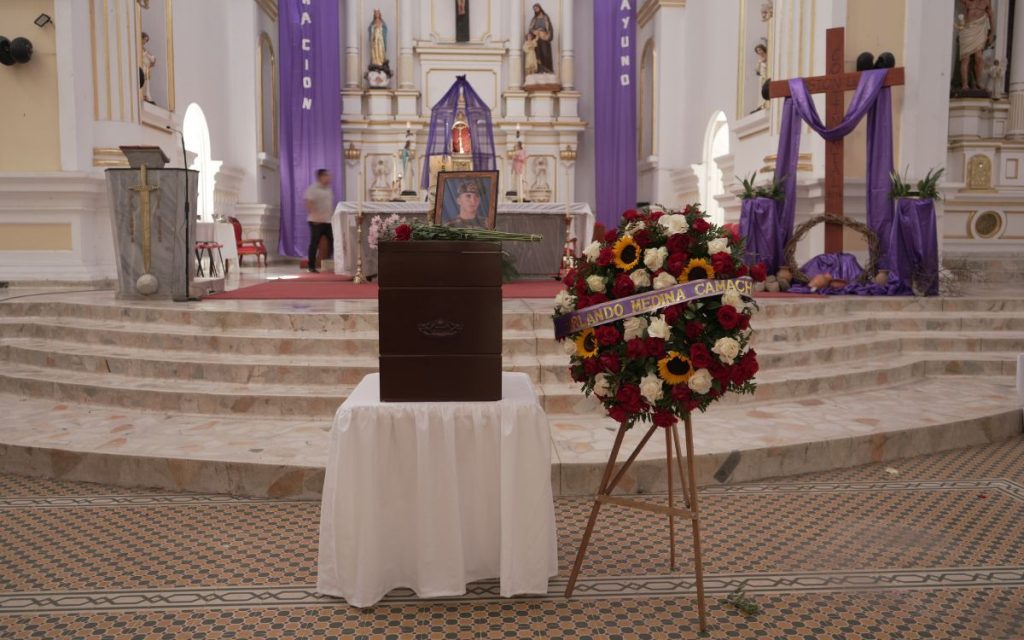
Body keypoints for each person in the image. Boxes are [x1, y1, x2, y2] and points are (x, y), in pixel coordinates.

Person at [957, 0, 994, 91]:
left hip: (979, 30)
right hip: (968, 30)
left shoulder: (986, 2)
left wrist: (992, 33)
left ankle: (978, 82)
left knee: (979, 57)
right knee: (965, 58)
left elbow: (991, 16)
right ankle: (965, 84)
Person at [304, 169, 334, 273]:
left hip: (328, 221)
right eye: (327, 176)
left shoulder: (328, 189)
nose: (329, 178)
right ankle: (311, 266)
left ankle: (330, 263)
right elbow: (309, 203)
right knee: (314, 244)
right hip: (316, 221)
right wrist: (315, 215)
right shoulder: (313, 189)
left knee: (334, 241)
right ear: (321, 177)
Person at [528, 4, 553, 75]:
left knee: (545, 54)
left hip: (544, 39)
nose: (536, 10)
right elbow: (530, 29)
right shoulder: (534, 19)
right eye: (534, 9)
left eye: (536, 8)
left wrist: (547, 36)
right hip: (536, 40)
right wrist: (534, 32)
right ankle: (539, 70)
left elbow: (550, 29)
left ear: (540, 8)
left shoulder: (546, 18)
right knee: (537, 55)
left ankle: (547, 70)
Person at [140, 32, 156, 104]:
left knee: (147, 82)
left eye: (146, 40)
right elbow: (142, 55)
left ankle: (147, 95)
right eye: (145, 40)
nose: (145, 42)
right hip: (142, 67)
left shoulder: (143, 48)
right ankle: (144, 94)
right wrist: (146, 55)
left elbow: (149, 56)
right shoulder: (139, 48)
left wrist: (152, 58)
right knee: (143, 80)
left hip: (146, 68)